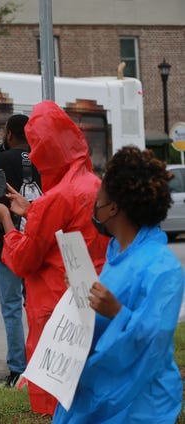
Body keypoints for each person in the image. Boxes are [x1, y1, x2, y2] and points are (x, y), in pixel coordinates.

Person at [0, 100, 109, 416]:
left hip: (56, 307)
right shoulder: (92, 184)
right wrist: (32, 211)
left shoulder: (57, 197)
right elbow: (69, 231)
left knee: (61, 401)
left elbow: (25, 259)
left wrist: (6, 221)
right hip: (90, 297)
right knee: (90, 388)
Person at [53, 146, 184, 423]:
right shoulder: (116, 254)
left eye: (98, 198)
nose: (94, 205)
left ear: (114, 207)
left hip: (137, 404)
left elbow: (153, 341)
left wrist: (115, 311)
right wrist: (82, 291)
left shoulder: (163, 267)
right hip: (97, 391)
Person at [0, 114, 39, 388]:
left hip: (8, 243)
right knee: (38, 305)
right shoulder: (43, 160)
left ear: (9, 133)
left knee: (12, 307)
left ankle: (18, 369)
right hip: (39, 243)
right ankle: (43, 364)